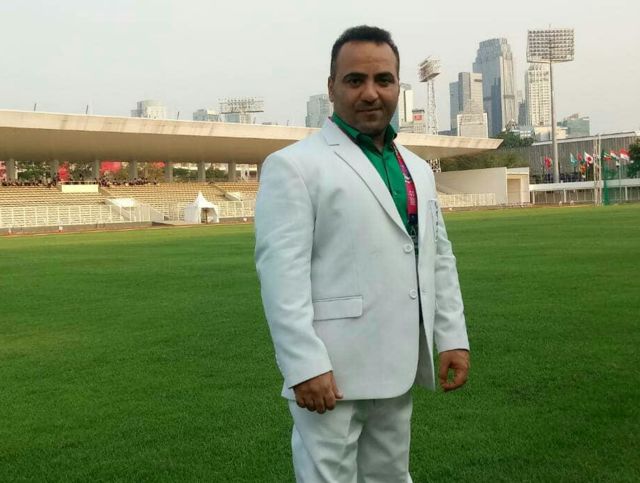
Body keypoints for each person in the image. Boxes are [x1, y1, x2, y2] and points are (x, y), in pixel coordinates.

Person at [255, 25, 470, 482]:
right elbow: (281, 276)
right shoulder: (295, 166)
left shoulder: (417, 168)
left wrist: (451, 336)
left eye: (383, 80)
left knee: (390, 475)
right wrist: (304, 364)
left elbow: (437, 256)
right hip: (331, 370)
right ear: (332, 87)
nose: (370, 93)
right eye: (355, 80)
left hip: (397, 362)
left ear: (398, 86)